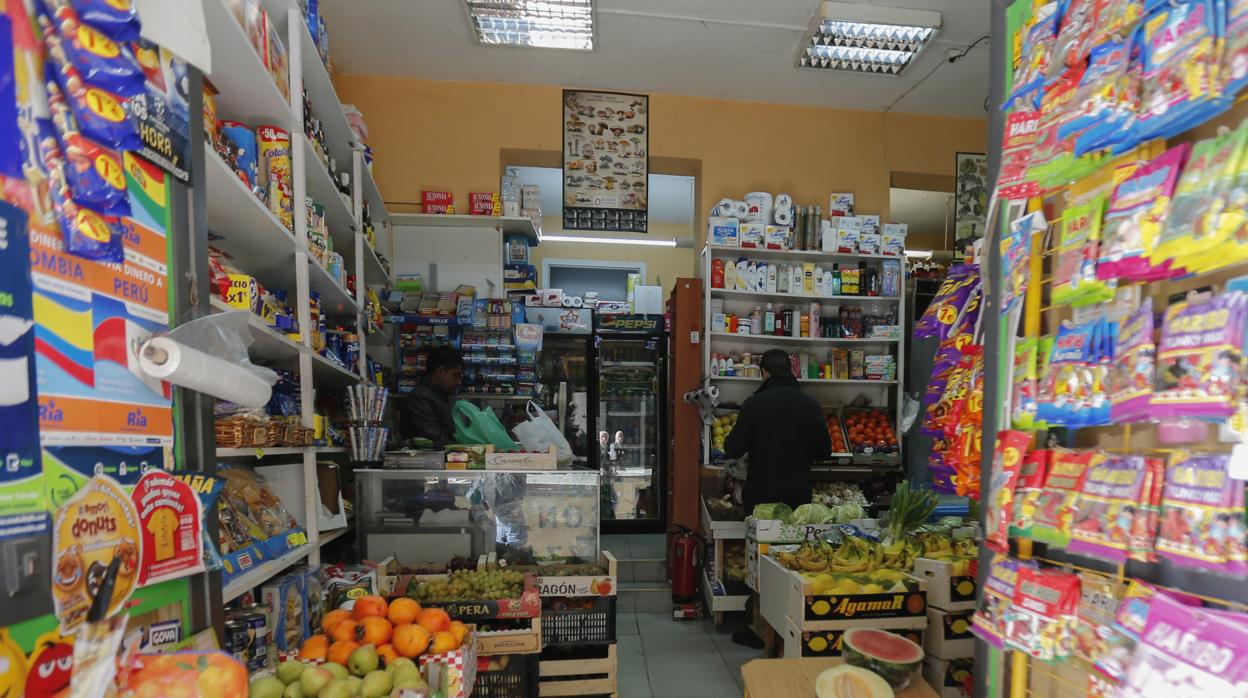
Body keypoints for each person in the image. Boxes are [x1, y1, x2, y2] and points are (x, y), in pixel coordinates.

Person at [723, 348, 831, 648]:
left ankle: (759, 628)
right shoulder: (810, 404)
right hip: (799, 496)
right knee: (794, 559)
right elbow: (824, 451)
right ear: (791, 370)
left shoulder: (756, 404)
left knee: (761, 559)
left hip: (764, 498)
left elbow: (732, 447)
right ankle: (791, 622)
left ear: (764, 373)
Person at [399, 346, 464, 447]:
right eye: (455, 375)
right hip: (424, 461)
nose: (459, 381)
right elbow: (435, 440)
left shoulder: (438, 396)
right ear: (441, 372)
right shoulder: (419, 398)